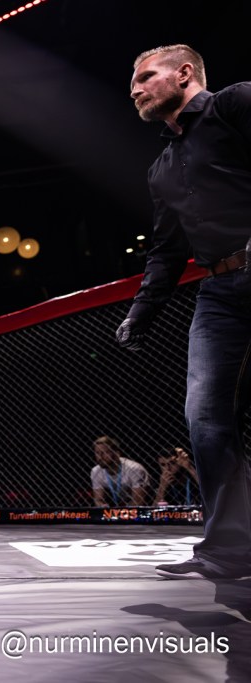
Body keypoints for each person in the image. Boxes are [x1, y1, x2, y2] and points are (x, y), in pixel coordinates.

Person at [116, 43, 251, 580]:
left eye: (145, 76)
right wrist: (141, 313)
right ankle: (230, 551)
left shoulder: (235, 105)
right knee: (206, 417)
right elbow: (168, 252)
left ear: (184, 73)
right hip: (220, 292)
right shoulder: (163, 168)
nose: (134, 89)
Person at [90, 435, 150, 507]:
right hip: (118, 506)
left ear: (117, 453)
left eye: (105, 452)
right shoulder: (95, 471)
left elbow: (138, 501)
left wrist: (121, 512)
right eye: (97, 453)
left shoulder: (134, 469)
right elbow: (98, 499)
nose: (100, 456)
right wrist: (103, 507)